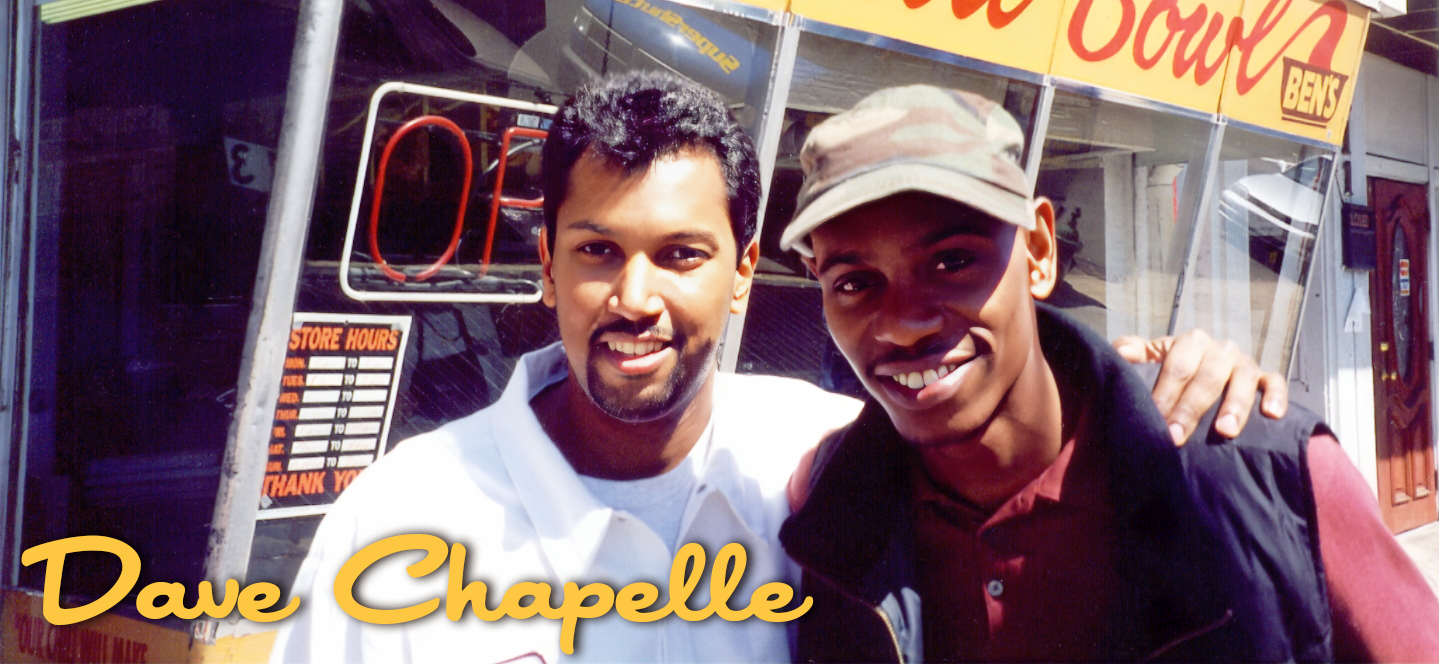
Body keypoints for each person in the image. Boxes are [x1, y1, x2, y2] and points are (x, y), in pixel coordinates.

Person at [272, 72, 1289, 664]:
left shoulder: (822, 462)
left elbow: (1023, 427)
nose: (634, 297)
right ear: (545, 267)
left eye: (680, 254)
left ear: (743, 273)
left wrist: (1178, 383)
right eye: (596, 251)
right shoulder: (397, 520)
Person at [777, 85, 1439, 663]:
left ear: (1038, 250)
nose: (902, 323)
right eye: (854, 282)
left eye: (952, 261)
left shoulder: (1269, 477)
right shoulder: (829, 508)